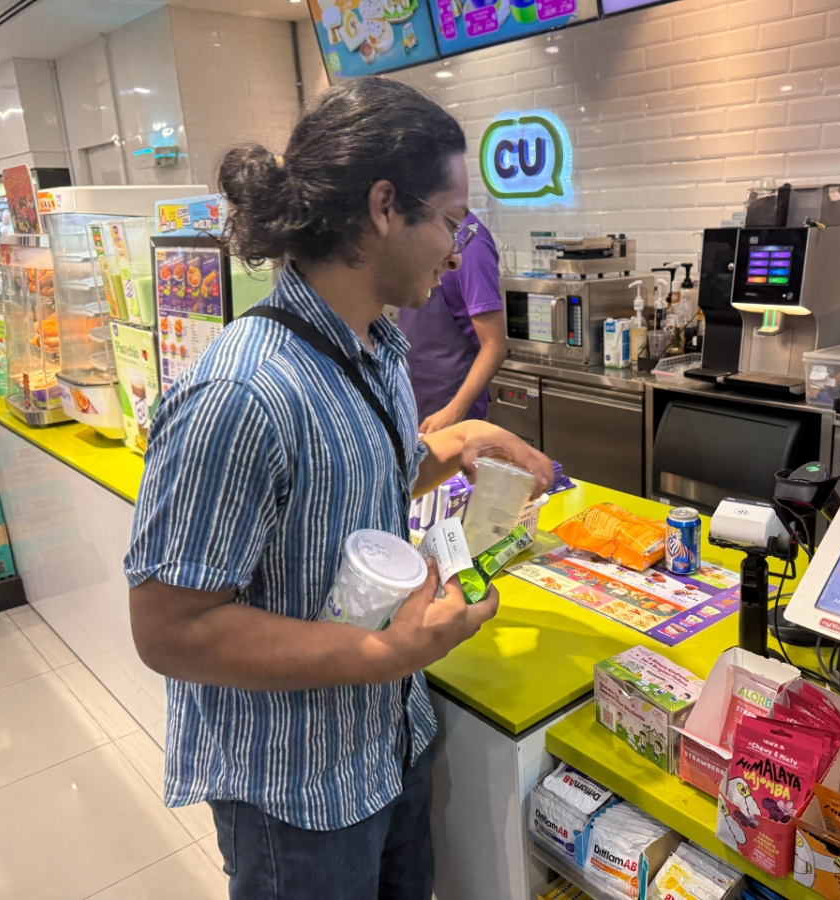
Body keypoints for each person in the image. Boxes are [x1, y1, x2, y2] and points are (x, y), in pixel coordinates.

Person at [123, 78, 552, 900]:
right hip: (297, 794)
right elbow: (169, 628)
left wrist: (453, 442)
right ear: (386, 206)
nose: (458, 252)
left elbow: (355, 484)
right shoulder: (243, 393)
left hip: (389, 741)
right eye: (451, 222)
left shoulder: (378, 344)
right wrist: (383, 652)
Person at [397, 213, 508, 434]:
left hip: (449, 401)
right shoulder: (423, 233)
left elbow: (494, 345)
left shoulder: (471, 244)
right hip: (415, 393)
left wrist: (454, 411)